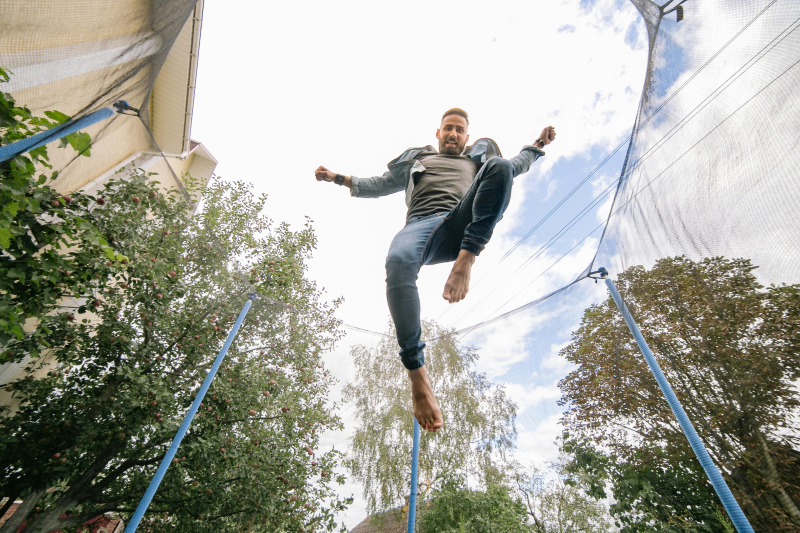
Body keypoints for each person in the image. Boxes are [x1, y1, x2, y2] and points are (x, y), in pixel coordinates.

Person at [315, 108, 555, 432]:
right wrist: (337, 178)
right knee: (398, 262)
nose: (453, 134)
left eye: (459, 130)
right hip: (421, 226)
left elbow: (516, 165)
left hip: (463, 221)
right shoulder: (420, 161)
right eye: (448, 129)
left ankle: (466, 259)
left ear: (467, 137)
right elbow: (380, 183)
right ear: (438, 133)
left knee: (500, 167)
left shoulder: (475, 161)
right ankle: (417, 373)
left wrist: (538, 144)